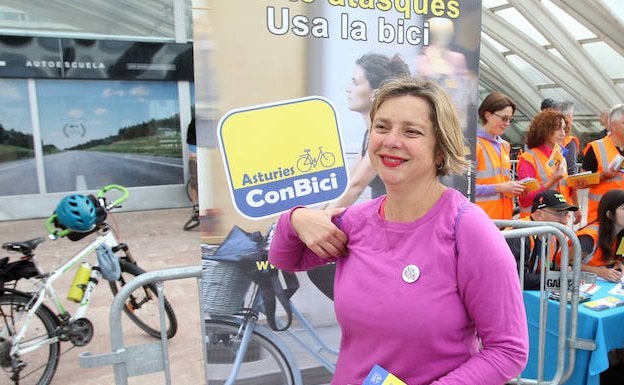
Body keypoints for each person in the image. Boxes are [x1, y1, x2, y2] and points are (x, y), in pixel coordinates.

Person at [269, 77, 528, 385]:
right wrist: (294, 218)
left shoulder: (468, 231)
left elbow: (508, 351)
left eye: (411, 131)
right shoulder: (356, 221)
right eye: (382, 127)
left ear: (440, 150)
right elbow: (287, 259)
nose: (391, 140)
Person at [306, 53, 410, 299]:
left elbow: (355, 187)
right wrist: (311, 218)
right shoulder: (369, 134)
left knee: (326, 269)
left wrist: (317, 225)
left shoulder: (385, 137)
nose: (347, 88)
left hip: (397, 237)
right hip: (385, 230)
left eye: (355, 82)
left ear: (375, 92)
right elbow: (344, 185)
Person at [506, 190, 578, 290]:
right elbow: (516, 278)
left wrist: (562, 274)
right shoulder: (518, 235)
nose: (565, 221)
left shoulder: (554, 235)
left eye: (566, 214)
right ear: (539, 214)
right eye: (559, 214)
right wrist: (558, 281)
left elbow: (547, 268)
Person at [517, 109, 580, 223]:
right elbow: (525, 198)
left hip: (558, 223)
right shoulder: (528, 158)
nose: (563, 133)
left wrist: (577, 185)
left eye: (564, 128)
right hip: (535, 225)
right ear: (545, 131)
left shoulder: (560, 157)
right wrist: (552, 180)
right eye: (558, 128)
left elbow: (564, 191)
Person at [475, 91, 524, 219]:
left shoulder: (504, 146)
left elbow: (501, 181)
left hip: (504, 218)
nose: (507, 123)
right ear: (488, 115)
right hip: (481, 219)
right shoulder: (473, 145)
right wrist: (500, 187)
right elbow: (464, 189)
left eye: (510, 119)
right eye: (504, 118)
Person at [581, 104, 624, 225]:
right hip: (601, 218)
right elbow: (581, 182)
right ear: (613, 125)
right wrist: (603, 176)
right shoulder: (596, 148)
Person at [575, 189, 624, 282]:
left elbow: (616, 257)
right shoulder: (589, 237)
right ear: (609, 214)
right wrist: (600, 271)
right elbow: (566, 263)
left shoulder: (621, 234)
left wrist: (617, 263)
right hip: (577, 283)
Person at [553, 101, 580, 176]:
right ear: (568, 117)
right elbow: (571, 169)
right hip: (562, 184)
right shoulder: (569, 142)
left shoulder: (547, 139)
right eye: (572, 115)